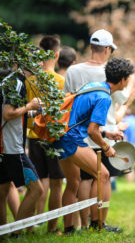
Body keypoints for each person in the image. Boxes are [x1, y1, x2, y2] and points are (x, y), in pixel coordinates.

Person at [52, 58, 133, 234]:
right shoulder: (105, 98)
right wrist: (106, 146)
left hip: (59, 134)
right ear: (122, 80)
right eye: (128, 78)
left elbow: (85, 122)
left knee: (73, 182)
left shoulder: (94, 86)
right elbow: (92, 132)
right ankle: (97, 225)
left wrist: (106, 133)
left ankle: (69, 229)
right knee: (103, 174)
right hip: (71, 139)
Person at [25, 35, 65, 234]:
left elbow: (27, 110)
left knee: (37, 184)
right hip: (53, 138)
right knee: (56, 184)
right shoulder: (61, 81)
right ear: (56, 55)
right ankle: (52, 228)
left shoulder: (29, 80)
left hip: (33, 136)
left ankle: (29, 227)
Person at [1, 70, 44, 236]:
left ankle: (4, 234)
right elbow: (8, 114)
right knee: (37, 190)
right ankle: (15, 233)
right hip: (12, 148)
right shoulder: (16, 83)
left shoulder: (9, 80)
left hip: (4, 147)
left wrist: (34, 112)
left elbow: (13, 114)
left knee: (3, 192)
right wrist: (29, 106)